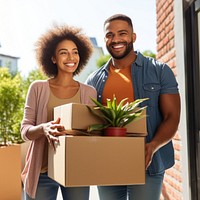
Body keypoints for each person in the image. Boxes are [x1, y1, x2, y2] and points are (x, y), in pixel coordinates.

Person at [85, 14, 180, 200]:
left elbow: (172, 117)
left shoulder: (159, 71)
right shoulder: (93, 80)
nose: (116, 39)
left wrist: (152, 146)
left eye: (122, 33)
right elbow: (88, 121)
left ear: (133, 37)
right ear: (105, 39)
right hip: (107, 163)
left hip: (147, 161)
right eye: (110, 35)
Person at [21, 24, 97, 200]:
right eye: (64, 52)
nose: (71, 57)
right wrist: (44, 129)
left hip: (76, 171)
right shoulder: (38, 88)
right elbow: (25, 131)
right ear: (53, 58)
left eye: (75, 52)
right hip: (41, 173)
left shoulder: (89, 92)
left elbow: (94, 133)